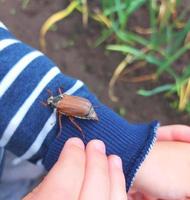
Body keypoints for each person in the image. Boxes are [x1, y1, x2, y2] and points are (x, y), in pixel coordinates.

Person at [0, 22, 190, 199]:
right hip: (83, 110)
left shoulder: (60, 103)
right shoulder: (61, 102)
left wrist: (127, 147)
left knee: (16, 174)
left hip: (83, 111)